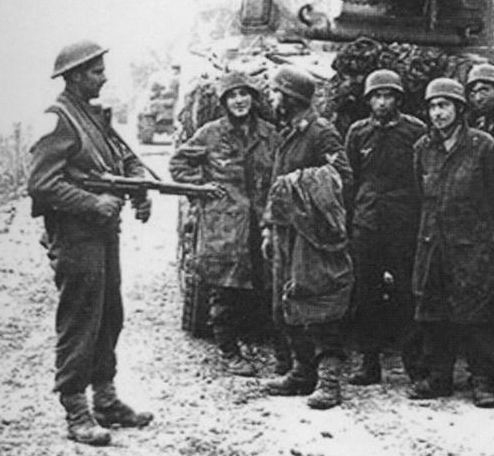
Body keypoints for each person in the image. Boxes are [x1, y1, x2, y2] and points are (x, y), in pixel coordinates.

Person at [28, 41, 155, 446]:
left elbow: (125, 156)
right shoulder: (58, 119)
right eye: (96, 71)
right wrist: (91, 202)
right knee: (80, 318)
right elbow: (42, 184)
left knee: (109, 314)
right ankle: (75, 409)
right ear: (76, 75)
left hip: (103, 232)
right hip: (75, 234)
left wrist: (139, 184)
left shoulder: (94, 118)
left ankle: (106, 399)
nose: (103, 77)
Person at [169, 71, 283, 377]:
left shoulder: (270, 134)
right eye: (232, 96)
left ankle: (253, 341)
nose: (239, 100)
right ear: (223, 102)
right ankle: (229, 351)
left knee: (260, 283)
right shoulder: (210, 134)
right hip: (224, 224)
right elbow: (178, 165)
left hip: (260, 220)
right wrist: (203, 188)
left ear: (253, 98)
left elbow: (278, 174)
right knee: (224, 288)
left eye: (244, 94)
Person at [261, 65, 354, 410]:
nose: (271, 98)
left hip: (314, 234)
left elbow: (341, 176)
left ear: (290, 98)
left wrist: (296, 185)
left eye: (275, 92)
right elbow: (274, 183)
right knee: (288, 300)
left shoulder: (321, 133)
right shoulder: (288, 132)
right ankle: (302, 372)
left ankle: (329, 380)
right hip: (287, 231)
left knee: (320, 299)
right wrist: (269, 227)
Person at [410, 78, 494, 408]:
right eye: (433, 106)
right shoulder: (423, 149)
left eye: (444, 105)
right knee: (434, 313)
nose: (438, 113)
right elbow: (418, 196)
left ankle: (482, 381)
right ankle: (439, 378)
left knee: (477, 315)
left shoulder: (483, 146)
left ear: (459, 109)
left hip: (473, 246)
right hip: (433, 242)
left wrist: (489, 244)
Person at [344, 69, 426, 386]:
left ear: (398, 99)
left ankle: (414, 366)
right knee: (367, 294)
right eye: (377, 96)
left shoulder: (414, 130)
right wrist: (351, 219)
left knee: (407, 294)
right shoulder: (358, 132)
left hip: (403, 223)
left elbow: (422, 175)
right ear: (368, 100)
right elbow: (350, 179)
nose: (382, 102)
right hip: (367, 223)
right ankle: (368, 363)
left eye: (388, 96)